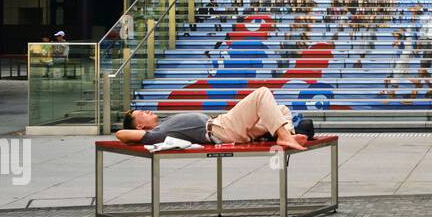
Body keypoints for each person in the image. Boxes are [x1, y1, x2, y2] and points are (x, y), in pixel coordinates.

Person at [117, 86, 312, 150]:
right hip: (220, 129)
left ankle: (282, 134)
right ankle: (285, 136)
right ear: (140, 126)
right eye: (141, 114)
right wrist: (136, 129)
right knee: (262, 94)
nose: (147, 111)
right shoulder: (155, 135)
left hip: (223, 126)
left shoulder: (163, 124)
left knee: (282, 109)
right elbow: (121, 134)